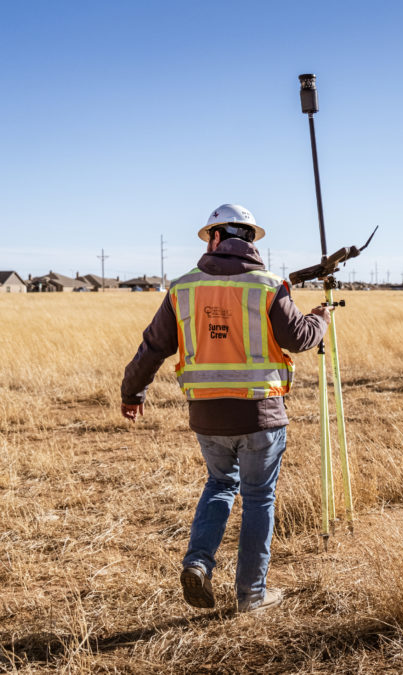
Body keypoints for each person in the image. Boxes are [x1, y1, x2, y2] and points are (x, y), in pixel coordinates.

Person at [120, 204, 329, 613]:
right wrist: (320, 317)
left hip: (207, 415)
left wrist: (132, 393)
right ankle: (251, 596)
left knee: (219, 485)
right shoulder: (269, 285)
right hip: (261, 414)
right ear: (250, 240)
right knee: (258, 500)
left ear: (215, 237)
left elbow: (154, 347)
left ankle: (198, 562)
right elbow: (299, 338)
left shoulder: (183, 287)